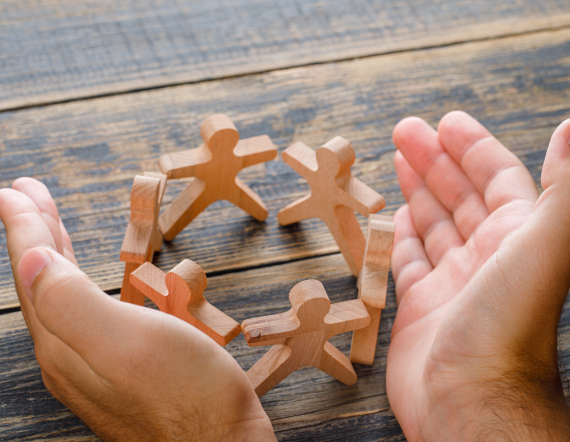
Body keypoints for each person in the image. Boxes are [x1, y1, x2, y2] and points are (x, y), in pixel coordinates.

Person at [0, 111, 569, 441]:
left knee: (327, 267)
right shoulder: (182, 292)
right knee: (209, 210)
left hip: (326, 223)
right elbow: (235, 324)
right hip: (290, 224)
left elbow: (246, 328)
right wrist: (482, 393)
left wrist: (219, 430)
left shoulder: (293, 309)